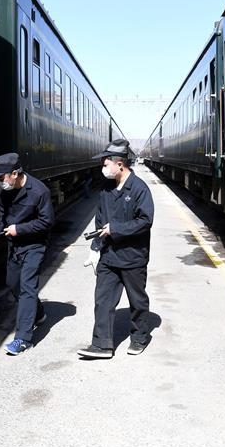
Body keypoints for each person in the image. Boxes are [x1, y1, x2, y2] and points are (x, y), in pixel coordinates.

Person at [78, 139, 154, 359]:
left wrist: (116, 229)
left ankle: (139, 337)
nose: (103, 167)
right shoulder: (106, 189)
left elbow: (145, 220)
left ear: (119, 164)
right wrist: (95, 248)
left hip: (133, 256)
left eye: (105, 163)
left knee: (137, 301)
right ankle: (102, 344)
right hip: (109, 256)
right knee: (102, 300)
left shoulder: (140, 188)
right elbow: (100, 220)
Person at [0, 153, 54, 355]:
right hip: (14, 245)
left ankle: (23, 338)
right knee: (12, 283)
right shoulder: (4, 190)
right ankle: (38, 313)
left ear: (14, 173)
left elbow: (46, 222)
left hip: (35, 245)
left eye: (1, 177)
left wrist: (20, 229)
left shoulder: (40, 191)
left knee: (27, 287)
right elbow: (2, 214)